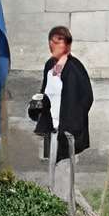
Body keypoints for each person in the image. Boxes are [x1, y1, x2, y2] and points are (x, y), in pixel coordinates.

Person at [32, 24, 94, 204]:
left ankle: (71, 212)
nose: (54, 46)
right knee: (53, 174)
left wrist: (71, 127)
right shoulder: (49, 66)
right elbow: (46, 92)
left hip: (68, 132)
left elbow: (86, 98)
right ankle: (61, 209)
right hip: (52, 129)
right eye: (52, 42)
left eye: (59, 42)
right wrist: (37, 106)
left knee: (64, 175)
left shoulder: (75, 68)